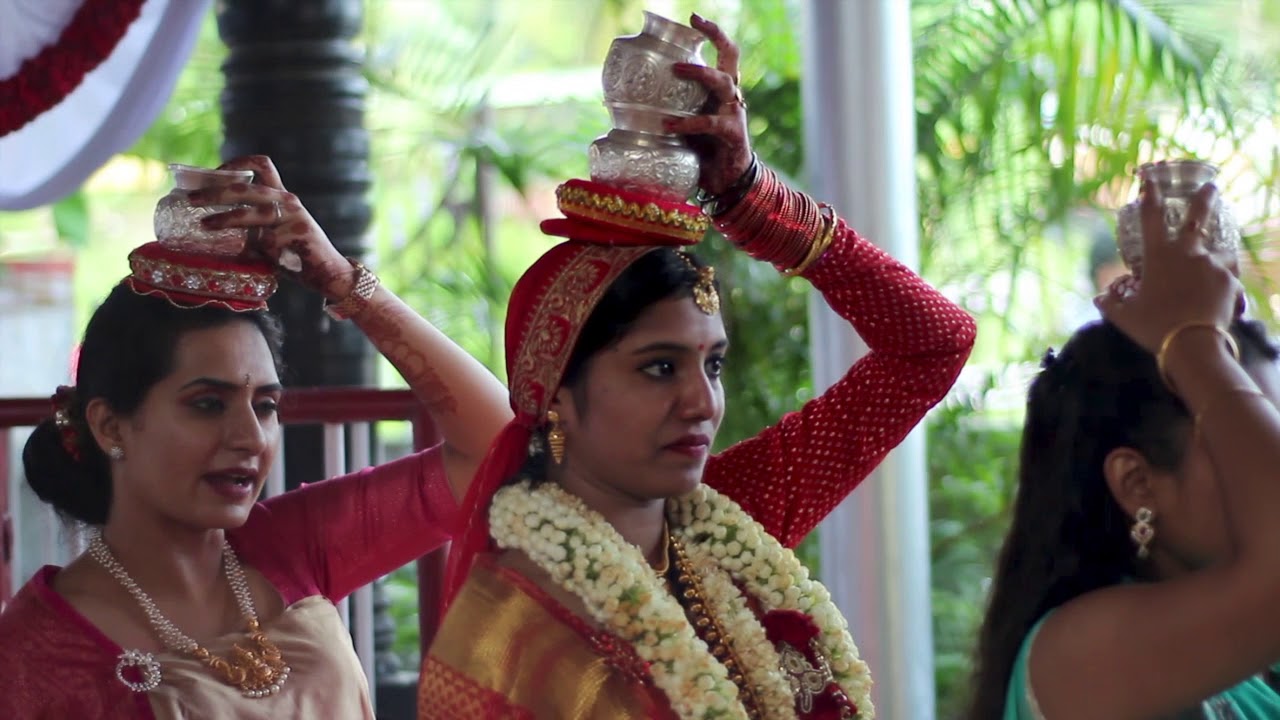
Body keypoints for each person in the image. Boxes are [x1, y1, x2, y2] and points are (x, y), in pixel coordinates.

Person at [416, 15, 976, 720]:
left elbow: (934, 344)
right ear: (552, 390)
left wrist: (752, 199)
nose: (702, 403)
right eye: (659, 368)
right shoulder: (503, 642)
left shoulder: (731, 522)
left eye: (712, 365)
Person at [0, 156, 511, 719]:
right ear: (109, 425)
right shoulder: (36, 653)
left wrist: (344, 283)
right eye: (207, 404)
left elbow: (499, 449)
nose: (250, 437)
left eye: (265, 406)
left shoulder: (290, 548)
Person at [964, 179, 1280, 719]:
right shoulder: (1079, 654)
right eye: (1234, 431)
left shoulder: (1248, 650)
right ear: (1137, 483)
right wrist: (1192, 342)